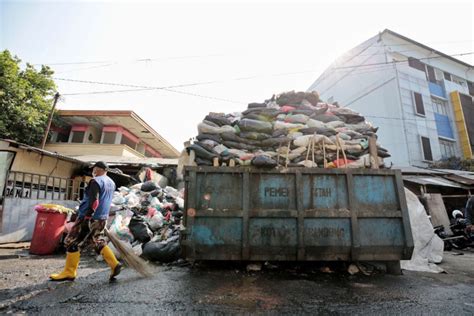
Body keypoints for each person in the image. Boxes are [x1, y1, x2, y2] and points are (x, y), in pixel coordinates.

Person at [50, 161, 122, 282]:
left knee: (71, 241)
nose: (92, 171)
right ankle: (114, 264)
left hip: (88, 217)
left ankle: (69, 272)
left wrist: (88, 215)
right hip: (102, 217)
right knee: (96, 241)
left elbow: (95, 201)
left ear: (97, 169)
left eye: (94, 169)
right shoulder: (111, 182)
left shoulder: (95, 181)